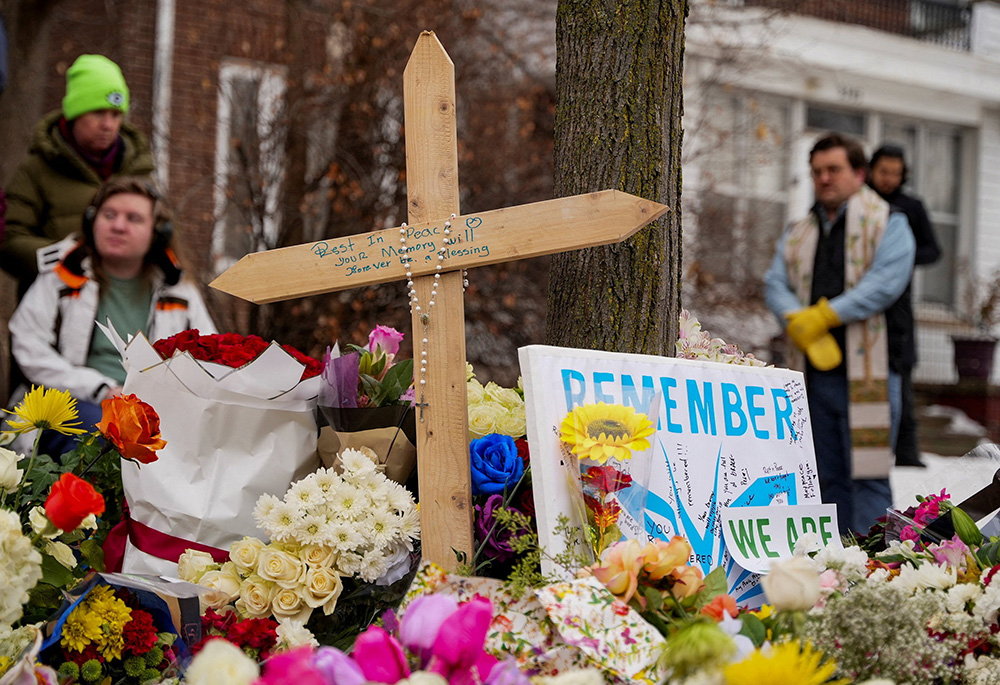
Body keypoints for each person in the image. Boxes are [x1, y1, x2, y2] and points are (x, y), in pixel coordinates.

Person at [764, 133, 916, 535]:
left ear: (859, 173)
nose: (824, 179)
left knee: (868, 476)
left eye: (834, 169)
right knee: (821, 478)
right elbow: (775, 282)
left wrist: (825, 316)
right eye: (817, 172)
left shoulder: (890, 222)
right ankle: (832, 567)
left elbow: (885, 284)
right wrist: (798, 319)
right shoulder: (800, 230)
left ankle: (873, 569)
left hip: (871, 376)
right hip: (813, 375)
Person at [8, 177, 216, 456]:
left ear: (158, 233)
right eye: (109, 215)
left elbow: (209, 355)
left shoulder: (180, 291)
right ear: (92, 221)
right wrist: (99, 389)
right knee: (92, 434)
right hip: (74, 406)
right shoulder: (61, 276)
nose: (118, 225)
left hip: (154, 415)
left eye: (133, 218)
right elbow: (28, 346)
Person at [0, 54, 154, 293]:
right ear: (74, 114)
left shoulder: (139, 171)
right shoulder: (36, 170)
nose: (108, 125)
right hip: (52, 311)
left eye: (115, 115)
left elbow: (161, 233)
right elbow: (9, 240)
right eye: (98, 113)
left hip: (123, 307)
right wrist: (65, 256)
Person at [868, 145, 941, 469]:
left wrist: (901, 254)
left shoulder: (911, 206)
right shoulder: (860, 201)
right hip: (859, 304)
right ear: (871, 169)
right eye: (883, 171)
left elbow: (933, 250)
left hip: (898, 306)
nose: (888, 179)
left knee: (902, 378)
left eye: (895, 173)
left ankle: (907, 452)